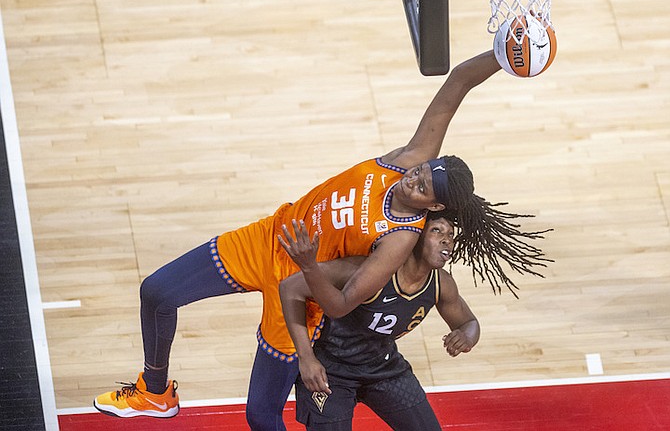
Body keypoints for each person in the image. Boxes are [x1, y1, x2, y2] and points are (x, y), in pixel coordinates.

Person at [93, 50, 550, 430]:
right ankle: (155, 393)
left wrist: (309, 263)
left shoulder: (397, 241)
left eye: (423, 186)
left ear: (432, 208)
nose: (415, 177)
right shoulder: (404, 161)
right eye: (422, 171)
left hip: (300, 286)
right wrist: (501, 53)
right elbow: (456, 84)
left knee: (262, 415)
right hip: (271, 236)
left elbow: (340, 304)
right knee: (155, 292)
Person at [278, 212, 480, 430]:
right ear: (415, 237)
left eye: (451, 234)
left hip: (383, 367)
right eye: (437, 230)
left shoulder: (442, 284)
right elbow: (290, 288)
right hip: (331, 369)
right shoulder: (369, 269)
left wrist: (467, 336)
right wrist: (306, 359)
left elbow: (469, 322)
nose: (446, 239)